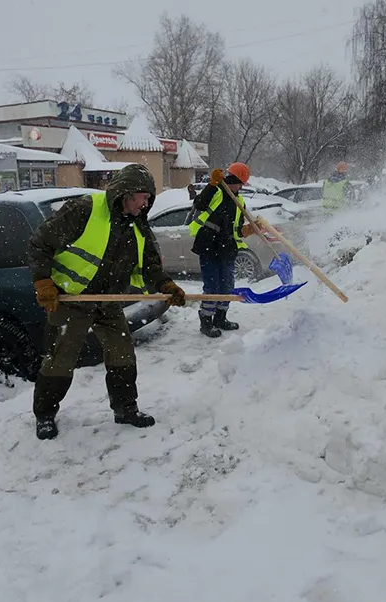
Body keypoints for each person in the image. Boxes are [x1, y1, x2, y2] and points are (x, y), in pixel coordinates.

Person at [28, 163, 187, 441]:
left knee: (122, 352)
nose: (147, 203)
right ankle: (45, 414)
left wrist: (166, 286)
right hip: (72, 298)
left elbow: (150, 264)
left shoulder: (138, 224)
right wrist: (43, 282)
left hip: (107, 301)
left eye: (150, 198)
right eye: (144, 196)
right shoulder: (85, 209)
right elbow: (40, 242)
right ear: (127, 192)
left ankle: (125, 408)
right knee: (60, 359)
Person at [189, 162, 259, 338]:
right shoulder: (217, 191)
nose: (240, 186)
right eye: (239, 183)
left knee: (227, 286)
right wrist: (211, 184)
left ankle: (220, 318)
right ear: (234, 180)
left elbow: (236, 229)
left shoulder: (239, 201)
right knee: (212, 287)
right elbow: (199, 204)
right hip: (209, 246)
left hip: (227, 249)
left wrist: (247, 230)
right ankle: (206, 322)